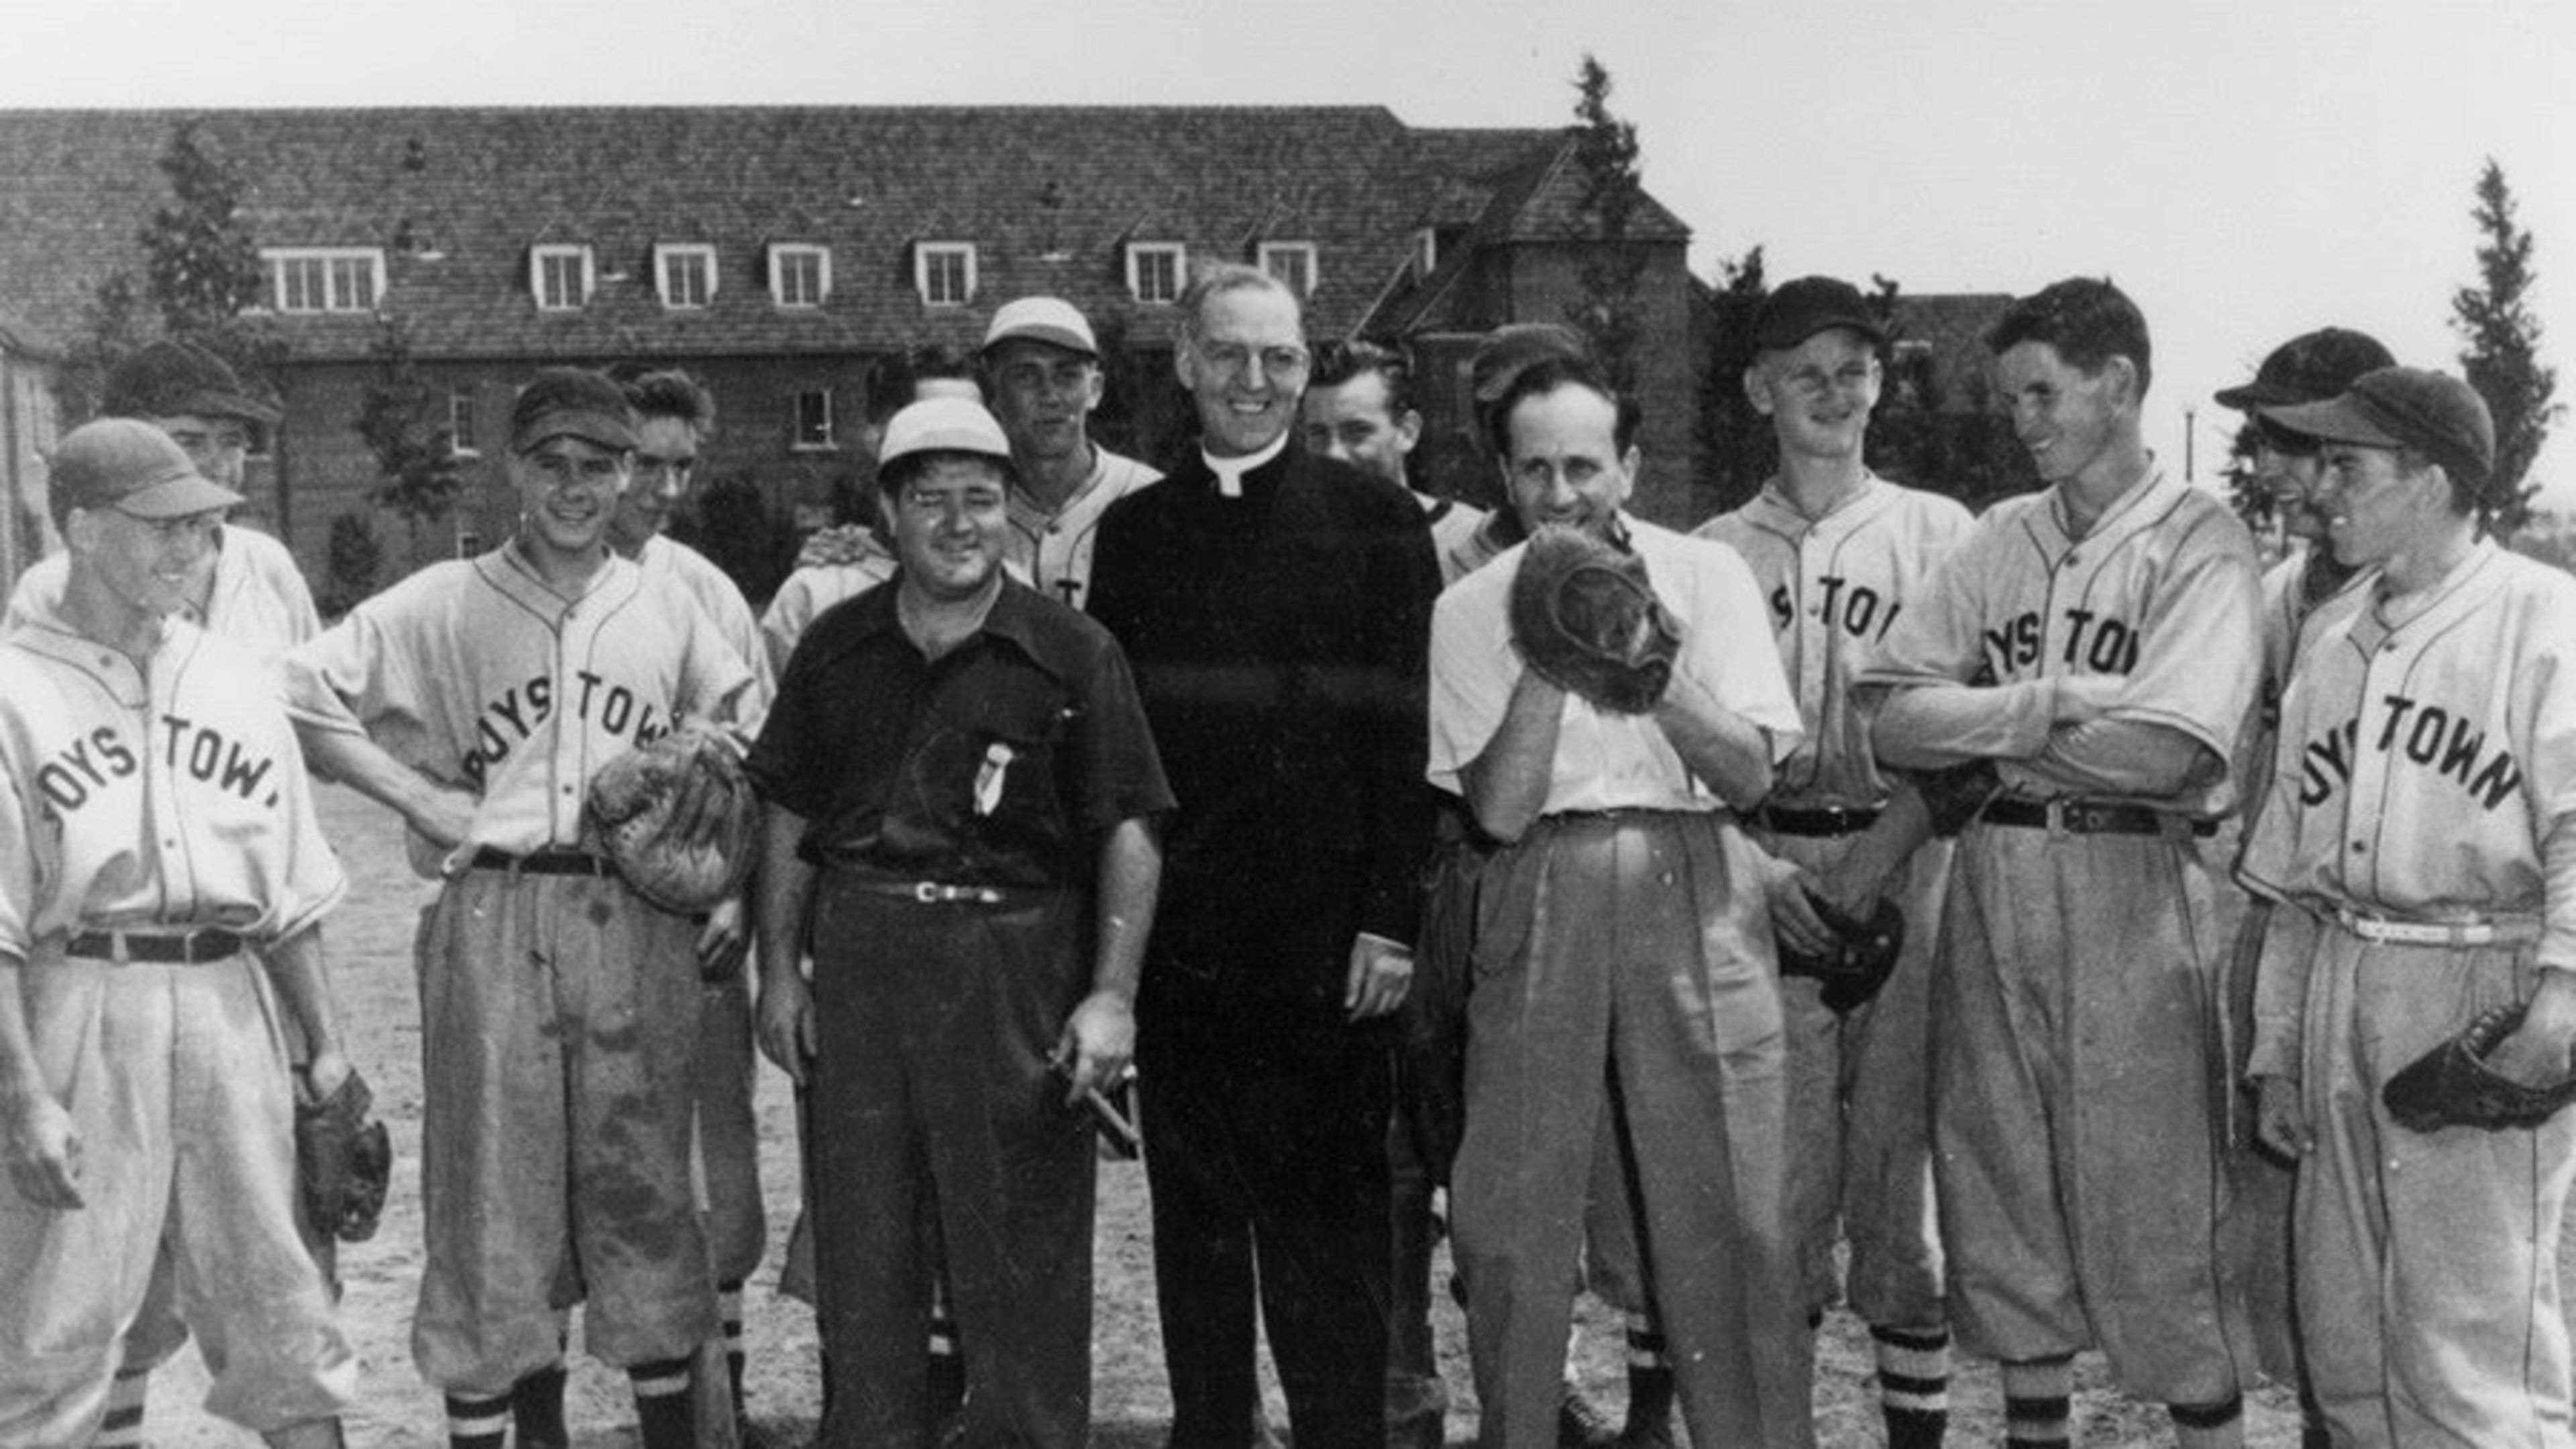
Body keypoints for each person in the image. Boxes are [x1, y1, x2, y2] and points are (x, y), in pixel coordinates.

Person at [281, 369, 753, 1449]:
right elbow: (294, 689)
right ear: (513, 470)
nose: (576, 488)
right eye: (553, 465)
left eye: (599, 466)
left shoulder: (671, 603)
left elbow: (737, 746)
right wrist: (416, 795)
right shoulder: (445, 597)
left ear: (629, 473)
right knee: (493, 1207)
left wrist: (722, 862)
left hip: (636, 918)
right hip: (492, 912)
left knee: (644, 1199)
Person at [1863, 278, 2261, 1449]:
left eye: (2044, 392)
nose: (2022, 420)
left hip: (2133, 890)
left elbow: (2166, 749)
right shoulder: (2000, 533)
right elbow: (1886, 715)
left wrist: (1981, 723)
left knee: (2155, 1217)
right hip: (1993, 880)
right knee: (2003, 1205)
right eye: (2011, 396)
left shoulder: (2201, 534)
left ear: (2120, 383)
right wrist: (2041, 706)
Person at [747, 395, 1171, 1447]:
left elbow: (1129, 827)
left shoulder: (1073, 651)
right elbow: (788, 810)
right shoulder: (837, 645)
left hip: (1012, 962)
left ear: (1009, 509)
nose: (956, 522)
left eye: (980, 499)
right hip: (865, 955)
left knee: (1020, 1260)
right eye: (928, 499)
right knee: (868, 1254)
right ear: (888, 511)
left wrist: (1112, 995)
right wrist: (782, 975)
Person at [1086, 262, 1439, 1449]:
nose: (1255, 381)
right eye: (1229, 355)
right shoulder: (1133, 537)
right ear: (1184, 363)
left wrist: (1392, 918)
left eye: (1280, 358)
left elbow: (1407, 736)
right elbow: (1126, 766)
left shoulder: (1380, 525)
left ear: (1307, 366)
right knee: (1197, 1240)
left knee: (1333, 1244)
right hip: (1188, 954)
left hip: (1333, 952)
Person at [1432, 356, 1809, 1449]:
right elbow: (1498, 810)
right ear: (1503, 475)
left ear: (1630, 466)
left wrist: (1646, 660)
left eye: (1584, 468)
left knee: (1732, 1208)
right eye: (1536, 470)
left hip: (1691, 874)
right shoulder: (1466, 607)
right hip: (1542, 878)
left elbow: (1748, 775)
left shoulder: (1709, 576)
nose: (1562, 495)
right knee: (1509, 1216)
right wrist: (1551, 651)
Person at [0, 418, 356, 1449]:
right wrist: (22, 1096)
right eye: (160, 527)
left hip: (228, 1001)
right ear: (81, 529)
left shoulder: (237, 678)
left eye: (202, 529)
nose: (188, 551)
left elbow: (290, 891)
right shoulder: (14, 691)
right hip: (80, 1001)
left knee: (287, 1318)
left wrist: (327, 1049)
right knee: (50, 1332)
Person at [2239, 367, 2576, 1446]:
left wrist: (2560, 1006)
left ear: (2430, 481)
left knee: (2472, 1357)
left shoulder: (2542, 619)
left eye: (2349, 465)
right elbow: (2295, 875)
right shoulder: (2333, 642)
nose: (2320, 488)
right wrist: (2277, 1043)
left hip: (2479, 975)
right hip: (2343, 964)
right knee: (2346, 1346)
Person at [1695, 276, 1972, 1449]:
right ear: (1759, 387)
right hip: (1762, 877)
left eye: (1853, 366)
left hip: (1909, 856)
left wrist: (1882, 853)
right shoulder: (1709, 552)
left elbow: (1971, 737)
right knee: (1775, 1193)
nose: (1832, 389)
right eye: (1803, 368)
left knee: (1903, 1197)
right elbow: (1686, 755)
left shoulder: (1945, 533)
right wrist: (1760, 871)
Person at [2206, 325, 2392, 1444]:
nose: (2267, 465)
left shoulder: (2420, 593)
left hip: (2386, 940)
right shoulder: (2281, 590)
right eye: (2262, 437)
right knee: (2300, 1246)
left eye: (2288, 438)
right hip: (2281, 933)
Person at [604, 365, 773, 1437]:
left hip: (697, 916)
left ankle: (727, 1410)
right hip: (585, 920)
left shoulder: (702, 589)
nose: (662, 487)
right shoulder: (536, 587)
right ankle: (657, 1411)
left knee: (721, 1168)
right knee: (617, 1162)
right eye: (642, 463)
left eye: (680, 465)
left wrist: (741, 898)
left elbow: (761, 763)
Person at [757, 346, 979, 675]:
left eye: (971, 426)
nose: (954, 446)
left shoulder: (1012, 583)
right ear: (876, 440)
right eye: (929, 426)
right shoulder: (813, 595)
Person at [981, 295, 1162, 611]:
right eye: (1026, 375)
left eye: (1067, 376)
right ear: (995, 393)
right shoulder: (970, 509)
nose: (1050, 396)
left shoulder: (1153, 496)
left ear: (1094, 390)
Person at [1303, 339, 1486, 570]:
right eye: (1318, 434)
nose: (1334, 453)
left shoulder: (1474, 544)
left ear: (1407, 432)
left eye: (1356, 432)